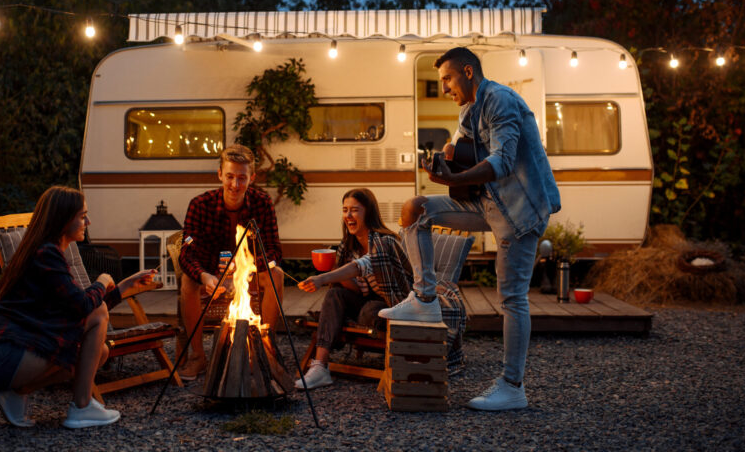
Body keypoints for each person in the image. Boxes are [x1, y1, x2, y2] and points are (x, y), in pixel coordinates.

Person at [378, 46, 561, 412]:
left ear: (468, 71)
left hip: (520, 211)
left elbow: (502, 161)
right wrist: (448, 154)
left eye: (447, 78)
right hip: (487, 203)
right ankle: (425, 300)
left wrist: (457, 175)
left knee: (511, 297)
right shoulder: (468, 108)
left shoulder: (501, 101)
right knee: (416, 210)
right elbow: (461, 143)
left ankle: (513, 386)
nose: (444, 87)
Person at [0, 185, 156, 428]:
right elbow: (86, 306)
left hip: (9, 355)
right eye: (82, 216)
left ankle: (16, 393)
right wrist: (102, 281)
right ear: (63, 220)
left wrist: (124, 286)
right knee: (97, 320)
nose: (88, 222)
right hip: (6, 354)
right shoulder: (45, 254)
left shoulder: (46, 252)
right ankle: (81, 407)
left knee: (99, 353)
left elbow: (78, 307)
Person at [177, 144, 284, 381]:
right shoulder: (200, 205)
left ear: (252, 178)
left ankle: (266, 349)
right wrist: (205, 276)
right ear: (219, 174)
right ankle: (197, 357)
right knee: (187, 282)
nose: (235, 185)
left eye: (242, 178)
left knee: (277, 274)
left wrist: (247, 269)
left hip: (250, 272)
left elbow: (275, 250)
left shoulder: (262, 203)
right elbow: (186, 253)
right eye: (230, 177)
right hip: (211, 274)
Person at [293, 188, 413, 390]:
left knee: (368, 312)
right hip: (367, 303)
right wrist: (332, 269)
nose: (348, 215)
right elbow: (358, 289)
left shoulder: (385, 242)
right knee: (335, 294)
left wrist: (323, 278)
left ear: (369, 213)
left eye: (354, 210)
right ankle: (320, 366)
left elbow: (360, 266)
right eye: (345, 210)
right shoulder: (348, 246)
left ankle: (331, 339)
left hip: (394, 304)